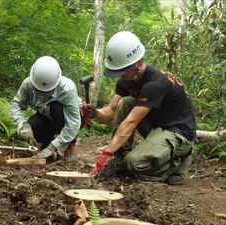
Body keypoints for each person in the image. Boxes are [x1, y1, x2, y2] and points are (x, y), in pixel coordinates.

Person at [86, 31, 196, 185]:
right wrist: (95, 112)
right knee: (125, 102)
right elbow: (111, 111)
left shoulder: (155, 84)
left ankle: (176, 163)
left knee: (134, 163)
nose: (120, 75)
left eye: (123, 70)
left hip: (178, 132)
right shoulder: (126, 80)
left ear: (138, 62)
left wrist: (105, 155)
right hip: (156, 126)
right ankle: (121, 157)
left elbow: (130, 123)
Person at [10, 56, 83, 161]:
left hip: (67, 118)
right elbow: (15, 104)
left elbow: (73, 123)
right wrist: (22, 124)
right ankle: (44, 146)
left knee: (56, 107)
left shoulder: (67, 88)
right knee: (34, 122)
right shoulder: (27, 84)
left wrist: (54, 146)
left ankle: (68, 147)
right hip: (45, 117)